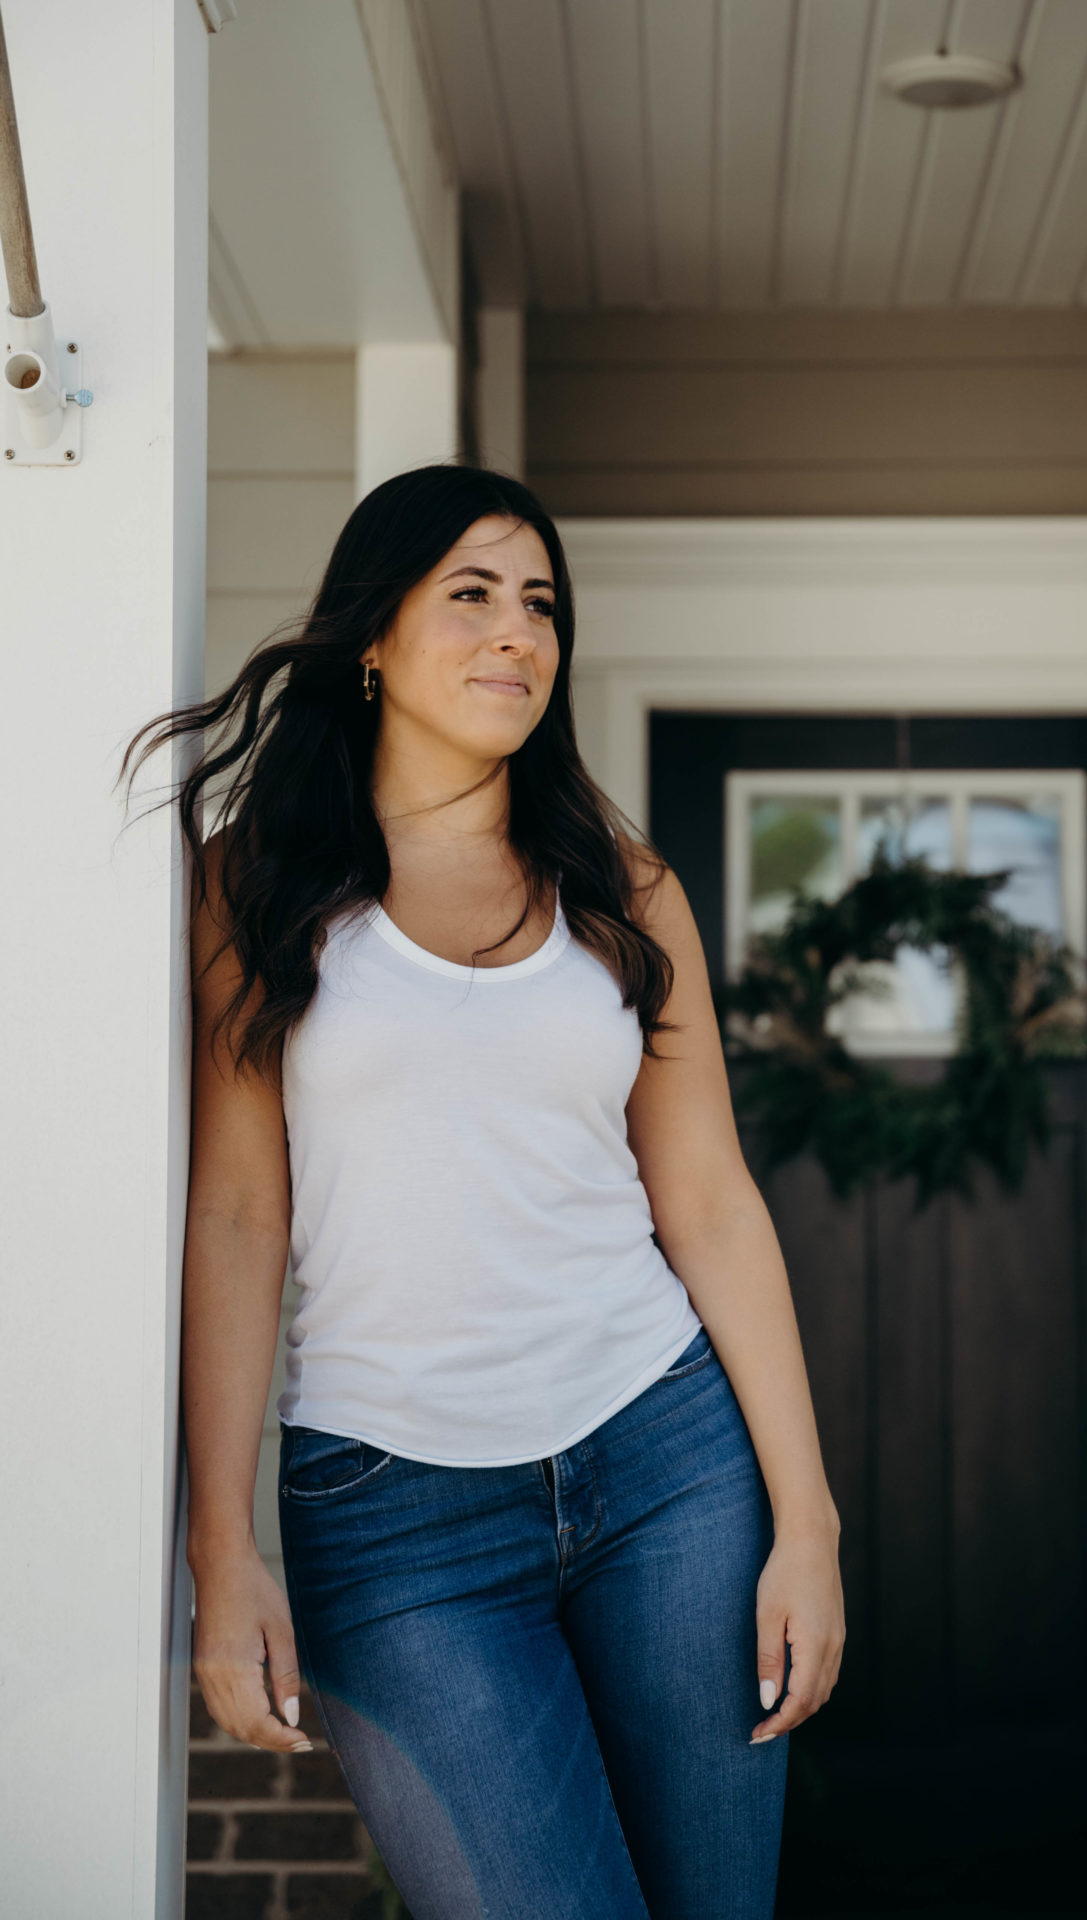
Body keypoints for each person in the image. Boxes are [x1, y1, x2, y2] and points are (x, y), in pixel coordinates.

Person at [123, 463, 844, 1920]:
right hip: (396, 1523)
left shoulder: (623, 894)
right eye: (472, 594)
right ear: (372, 639)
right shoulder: (251, 890)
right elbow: (238, 1217)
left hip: (670, 1472)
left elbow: (707, 1201)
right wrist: (223, 1542)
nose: (518, 631)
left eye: (541, 603)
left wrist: (807, 1521)